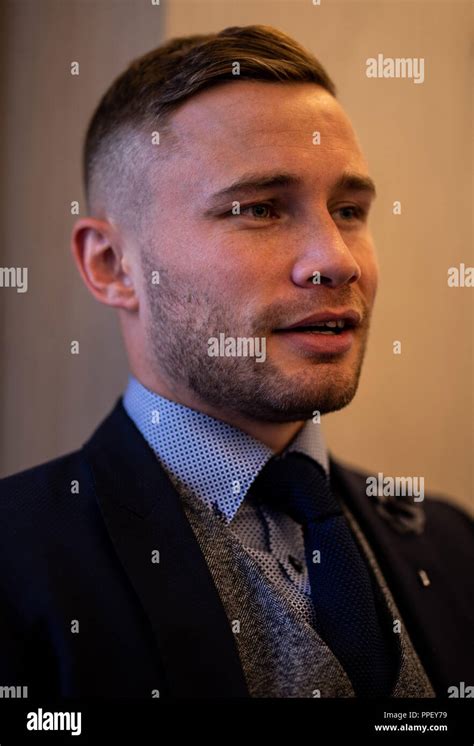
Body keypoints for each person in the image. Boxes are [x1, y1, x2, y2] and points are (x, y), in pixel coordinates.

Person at [0, 25, 472, 699]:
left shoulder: (452, 544)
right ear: (112, 266)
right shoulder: (16, 563)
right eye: (258, 209)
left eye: (349, 209)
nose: (336, 259)